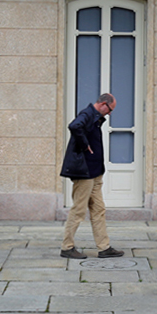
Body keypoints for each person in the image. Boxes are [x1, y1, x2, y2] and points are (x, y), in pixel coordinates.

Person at [59, 93, 124, 259]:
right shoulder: (87, 114)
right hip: (84, 173)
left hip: (95, 173)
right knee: (79, 210)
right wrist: (85, 144)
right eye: (109, 110)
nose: (109, 114)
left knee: (99, 209)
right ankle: (67, 247)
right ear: (103, 104)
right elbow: (74, 126)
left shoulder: (94, 117)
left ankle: (104, 248)